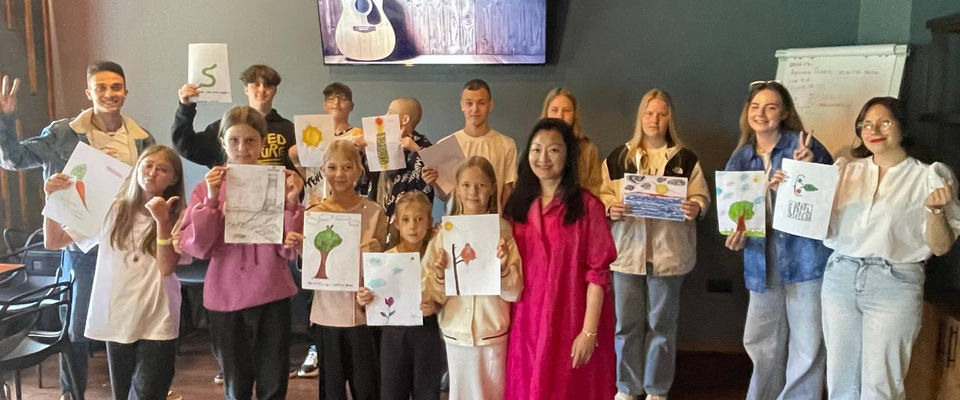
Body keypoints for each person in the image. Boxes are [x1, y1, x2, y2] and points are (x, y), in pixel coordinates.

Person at [0, 63, 156, 400]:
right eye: (101, 87)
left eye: (116, 87)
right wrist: (4, 119)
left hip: (126, 243)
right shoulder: (64, 133)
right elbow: (13, 159)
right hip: (80, 243)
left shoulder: (141, 137)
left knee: (129, 322)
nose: (109, 94)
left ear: (125, 92)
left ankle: (130, 392)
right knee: (77, 325)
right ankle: (72, 393)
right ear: (89, 93)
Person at [819, 97, 960, 399]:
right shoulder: (844, 170)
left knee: (881, 386)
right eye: (866, 124)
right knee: (840, 381)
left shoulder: (929, 175)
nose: (874, 130)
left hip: (894, 283)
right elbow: (818, 226)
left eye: (884, 122)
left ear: (902, 126)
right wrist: (794, 188)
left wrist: (935, 211)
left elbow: (941, 246)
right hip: (840, 276)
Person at [178, 106, 304, 400]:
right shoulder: (206, 187)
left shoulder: (280, 182)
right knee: (236, 381)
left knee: (274, 378)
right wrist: (211, 202)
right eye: (234, 140)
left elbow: (289, 247)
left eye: (250, 141)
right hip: (225, 294)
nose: (242, 148)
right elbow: (199, 246)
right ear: (222, 142)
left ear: (263, 143)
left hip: (272, 290)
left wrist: (292, 203)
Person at [43, 145, 185, 400]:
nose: (152, 173)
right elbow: (54, 241)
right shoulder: (112, 209)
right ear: (137, 168)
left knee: (148, 392)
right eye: (147, 165)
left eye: (162, 169)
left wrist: (162, 221)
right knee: (122, 394)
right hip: (117, 315)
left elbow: (167, 267)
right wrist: (51, 200)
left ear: (173, 179)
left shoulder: (178, 215)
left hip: (158, 316)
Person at [723, 81, 832, 400]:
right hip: (761, 258)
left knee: (807, 343)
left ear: (784, 113)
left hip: (805, 257)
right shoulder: (741, 158)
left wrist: (809, 168)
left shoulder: (803, 147)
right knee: (761, 340)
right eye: (755, 107)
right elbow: (734, 217)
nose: (761, 113)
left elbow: (829, 196)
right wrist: (736, 238)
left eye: (770, 107)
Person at [599, 89, 710, 400]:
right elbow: (602, 193)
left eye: (661, 114)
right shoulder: (618, 158)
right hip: (627, 253)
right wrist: (610, 207)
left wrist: (696, 206)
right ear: (641, 116)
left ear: (670, 118)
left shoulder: (686, 159)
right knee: (627, 326)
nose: (654, 120)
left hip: (668, 254)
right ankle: (627, 387)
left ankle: (656, 389)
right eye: (649, 113)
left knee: (662, 325)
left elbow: (701, 197)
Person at [502, 118, 618, 399]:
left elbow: (598, 274)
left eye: (553, 150)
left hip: (571, 319)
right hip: (526, 323)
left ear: (568, 156)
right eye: (536, 149)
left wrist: (588, 332)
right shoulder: (517, 206)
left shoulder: (587, 207)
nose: (543, 158)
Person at [285, 139, 388, 400]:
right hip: (327, 313)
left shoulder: (374, 212)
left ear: (359, 170)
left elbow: (385, 266)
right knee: (331, 388)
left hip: (363, 313)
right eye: (332, 167)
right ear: (323, 170)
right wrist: (300, 248)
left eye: (347, 167)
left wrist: (376, 252)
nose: (340, 174)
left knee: (367, 386)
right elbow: (310, 267)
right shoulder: (315, 214)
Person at [423, 156, 523, 400]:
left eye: (480, 185)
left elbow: (515, 291)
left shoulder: (503, 231)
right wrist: (439, 274)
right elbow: (430, 293)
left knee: (492, 394)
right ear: (457, 189)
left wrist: (502, 268)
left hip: (491, 332)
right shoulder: (445, 234)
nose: (473, 192)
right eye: (466, 185)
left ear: (492, 189)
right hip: (456, 332)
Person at [356, 191, 445, 400]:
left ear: (429, 222)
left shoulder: (437, 258)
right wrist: (364, 300)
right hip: (393, 337)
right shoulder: (386, 260)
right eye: (406, 219)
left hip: (427, 334)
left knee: (427, 393)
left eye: (419, 219)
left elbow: (446, 296)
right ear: (397, 223)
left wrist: (435, 306)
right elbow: (371, 304)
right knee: (392, 392)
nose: (413, 226)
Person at [173, 64, 296, 170]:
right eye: (256, 84)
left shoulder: (288, 129)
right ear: (246, 90)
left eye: (268, 86)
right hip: (229, 190)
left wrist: (297, 184)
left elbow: (297, 170)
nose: (262, 90)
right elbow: (185, 145)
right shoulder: (225, 128)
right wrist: (185, 107)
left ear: (275, 91)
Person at [423, 79, 517, 211]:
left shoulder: (506, 145)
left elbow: (508, 189)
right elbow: (443, 196)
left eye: (481, 103)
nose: (475, 109)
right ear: (462, 105)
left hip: (491, 220)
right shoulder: (445, 145)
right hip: (456, 221)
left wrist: (502, 219)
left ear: (490, 105)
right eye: (469, 103)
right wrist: (433, 182)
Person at [540, 87, 603, 195]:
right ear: (546, 113)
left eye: (566, 110)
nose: (560, 116)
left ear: (574, 114)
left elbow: (596, 188)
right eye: (554, 110)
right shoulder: (534, 149)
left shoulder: (588, 150)